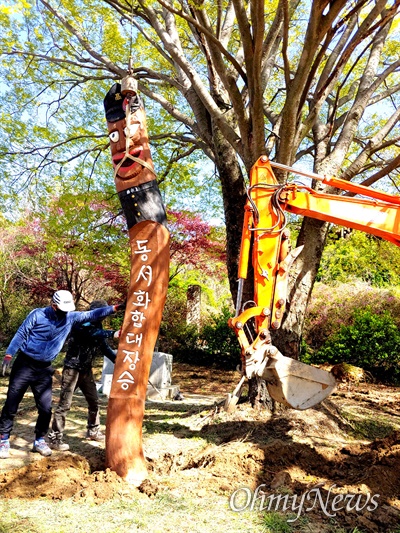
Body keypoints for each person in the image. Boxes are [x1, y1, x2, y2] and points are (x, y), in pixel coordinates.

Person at [0, 290, 124, 459]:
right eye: (63, 309)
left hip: (44, 369)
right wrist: (9, 354)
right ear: (54, 306)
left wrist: (116, 307)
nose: (66, 313)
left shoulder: (70, 318)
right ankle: (4, 439)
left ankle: (39, 440)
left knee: (45, 408)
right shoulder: (37, 315)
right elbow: (21, 333)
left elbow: (92, 314)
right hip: (25, 364)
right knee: (12, 403)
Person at [48, 300, 120, 451]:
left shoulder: (98, 325)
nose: (102, 317)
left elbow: (103, 346)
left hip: (86, 370)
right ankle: (55, 438)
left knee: (94, 401)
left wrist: (118, 362)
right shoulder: (81, 321)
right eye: (101, 313)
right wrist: (112, 333)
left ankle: (93, 430)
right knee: (64, 404)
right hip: (72, 369)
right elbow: (91, 333)